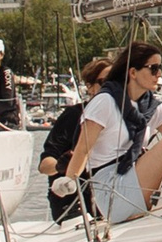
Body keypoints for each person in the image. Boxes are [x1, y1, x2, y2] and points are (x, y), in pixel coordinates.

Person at [52, 41, 162, 223]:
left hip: (133, 179)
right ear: (133, 72)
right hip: (112, 191)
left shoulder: (151, 107)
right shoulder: (105, 101)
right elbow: (83, 148)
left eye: (160, 68)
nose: (159, 74)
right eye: (154, 68)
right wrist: (69, 180)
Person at [38, 57, 111, 221]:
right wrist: (60, 166)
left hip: (112, 199)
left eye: (118, 82)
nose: (113, 88)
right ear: (90, 87)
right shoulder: (73, 116)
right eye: (105, 82)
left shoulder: (126, 116)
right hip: (74, 205)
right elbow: (44, 165)